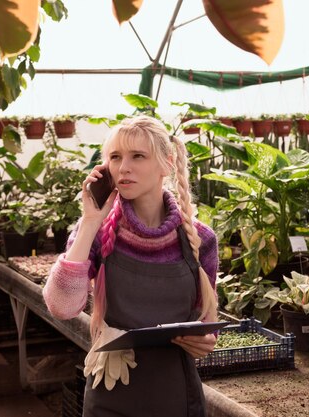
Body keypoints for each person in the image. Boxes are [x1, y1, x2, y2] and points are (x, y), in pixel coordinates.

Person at [43, 115, 218, 417]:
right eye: (115, 157)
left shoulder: (199, 239)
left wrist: (204, 342)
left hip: (176, 395)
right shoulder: (96, 233)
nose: (124, 167)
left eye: (138, 156)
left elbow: (207, 326)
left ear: (166, 162)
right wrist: (90, 220)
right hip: (111, 390)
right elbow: (61, 306)